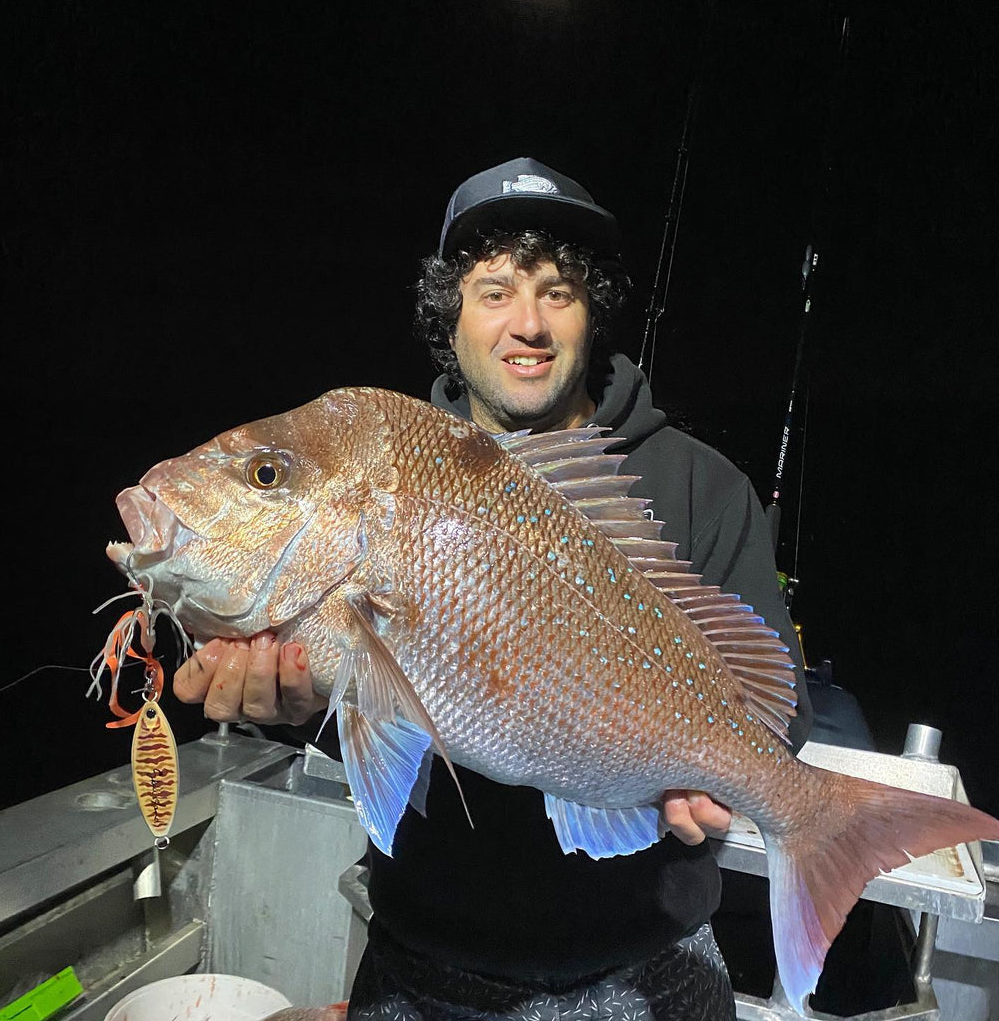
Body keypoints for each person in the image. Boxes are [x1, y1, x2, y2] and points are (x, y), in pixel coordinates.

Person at [174, 157, 812, 1021]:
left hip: (645, 973)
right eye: (494, 290)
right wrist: (295, 707)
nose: (528, 323)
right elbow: (389, 734)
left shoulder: (701, 486)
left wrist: (725, 778)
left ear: (592, 315)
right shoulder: (392, 459)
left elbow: (779, 713)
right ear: (453, 317)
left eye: (558, 293)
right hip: (422, 966)